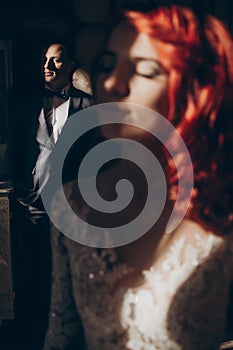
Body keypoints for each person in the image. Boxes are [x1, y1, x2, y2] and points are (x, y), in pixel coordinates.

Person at [43, 5, 233, 350]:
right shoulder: (72, 204)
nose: (114, 82)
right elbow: (61, 335)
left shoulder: (222, 206)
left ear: (190, 89)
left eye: (144, 71)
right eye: (107, 66)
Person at [7, 42, 92, 349]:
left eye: (57, 61)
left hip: (72, 210)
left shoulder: (88, 107)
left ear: (70, 67)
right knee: (33, 275)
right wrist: (20, 191)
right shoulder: (25, 104)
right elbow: (16, 152)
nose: (49, 66)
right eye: (45, 60)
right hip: (32, 207)